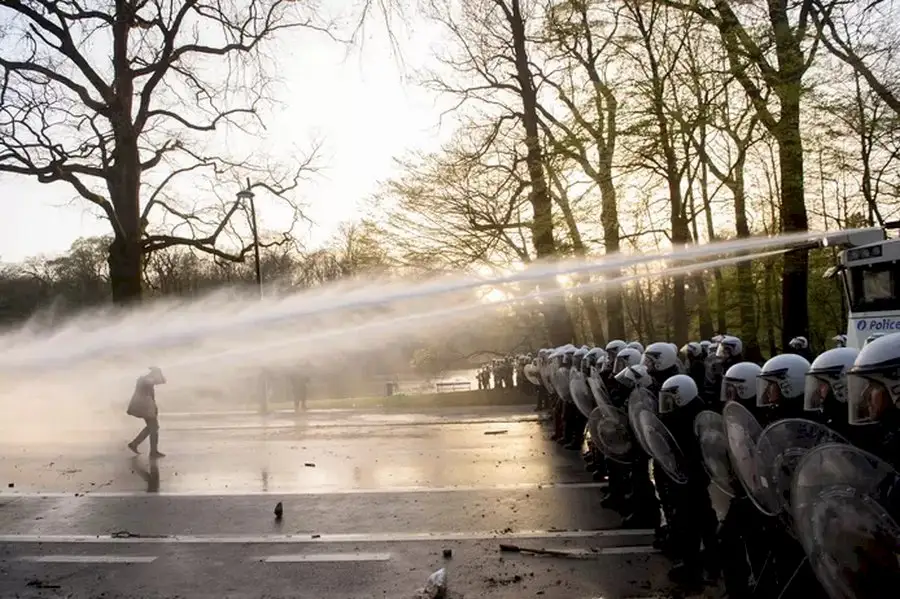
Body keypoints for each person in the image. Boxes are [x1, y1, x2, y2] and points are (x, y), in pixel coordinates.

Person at [127, 366, 167, 458]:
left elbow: (162, 381)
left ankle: (136, 444)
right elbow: (162, 381)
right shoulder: (146, 380)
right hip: (145, 406)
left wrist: (158, 371)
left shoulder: (146, 379)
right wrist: (159, 371)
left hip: (147, 406)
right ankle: (150, 451)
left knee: (153, 427)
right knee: (153, 427)